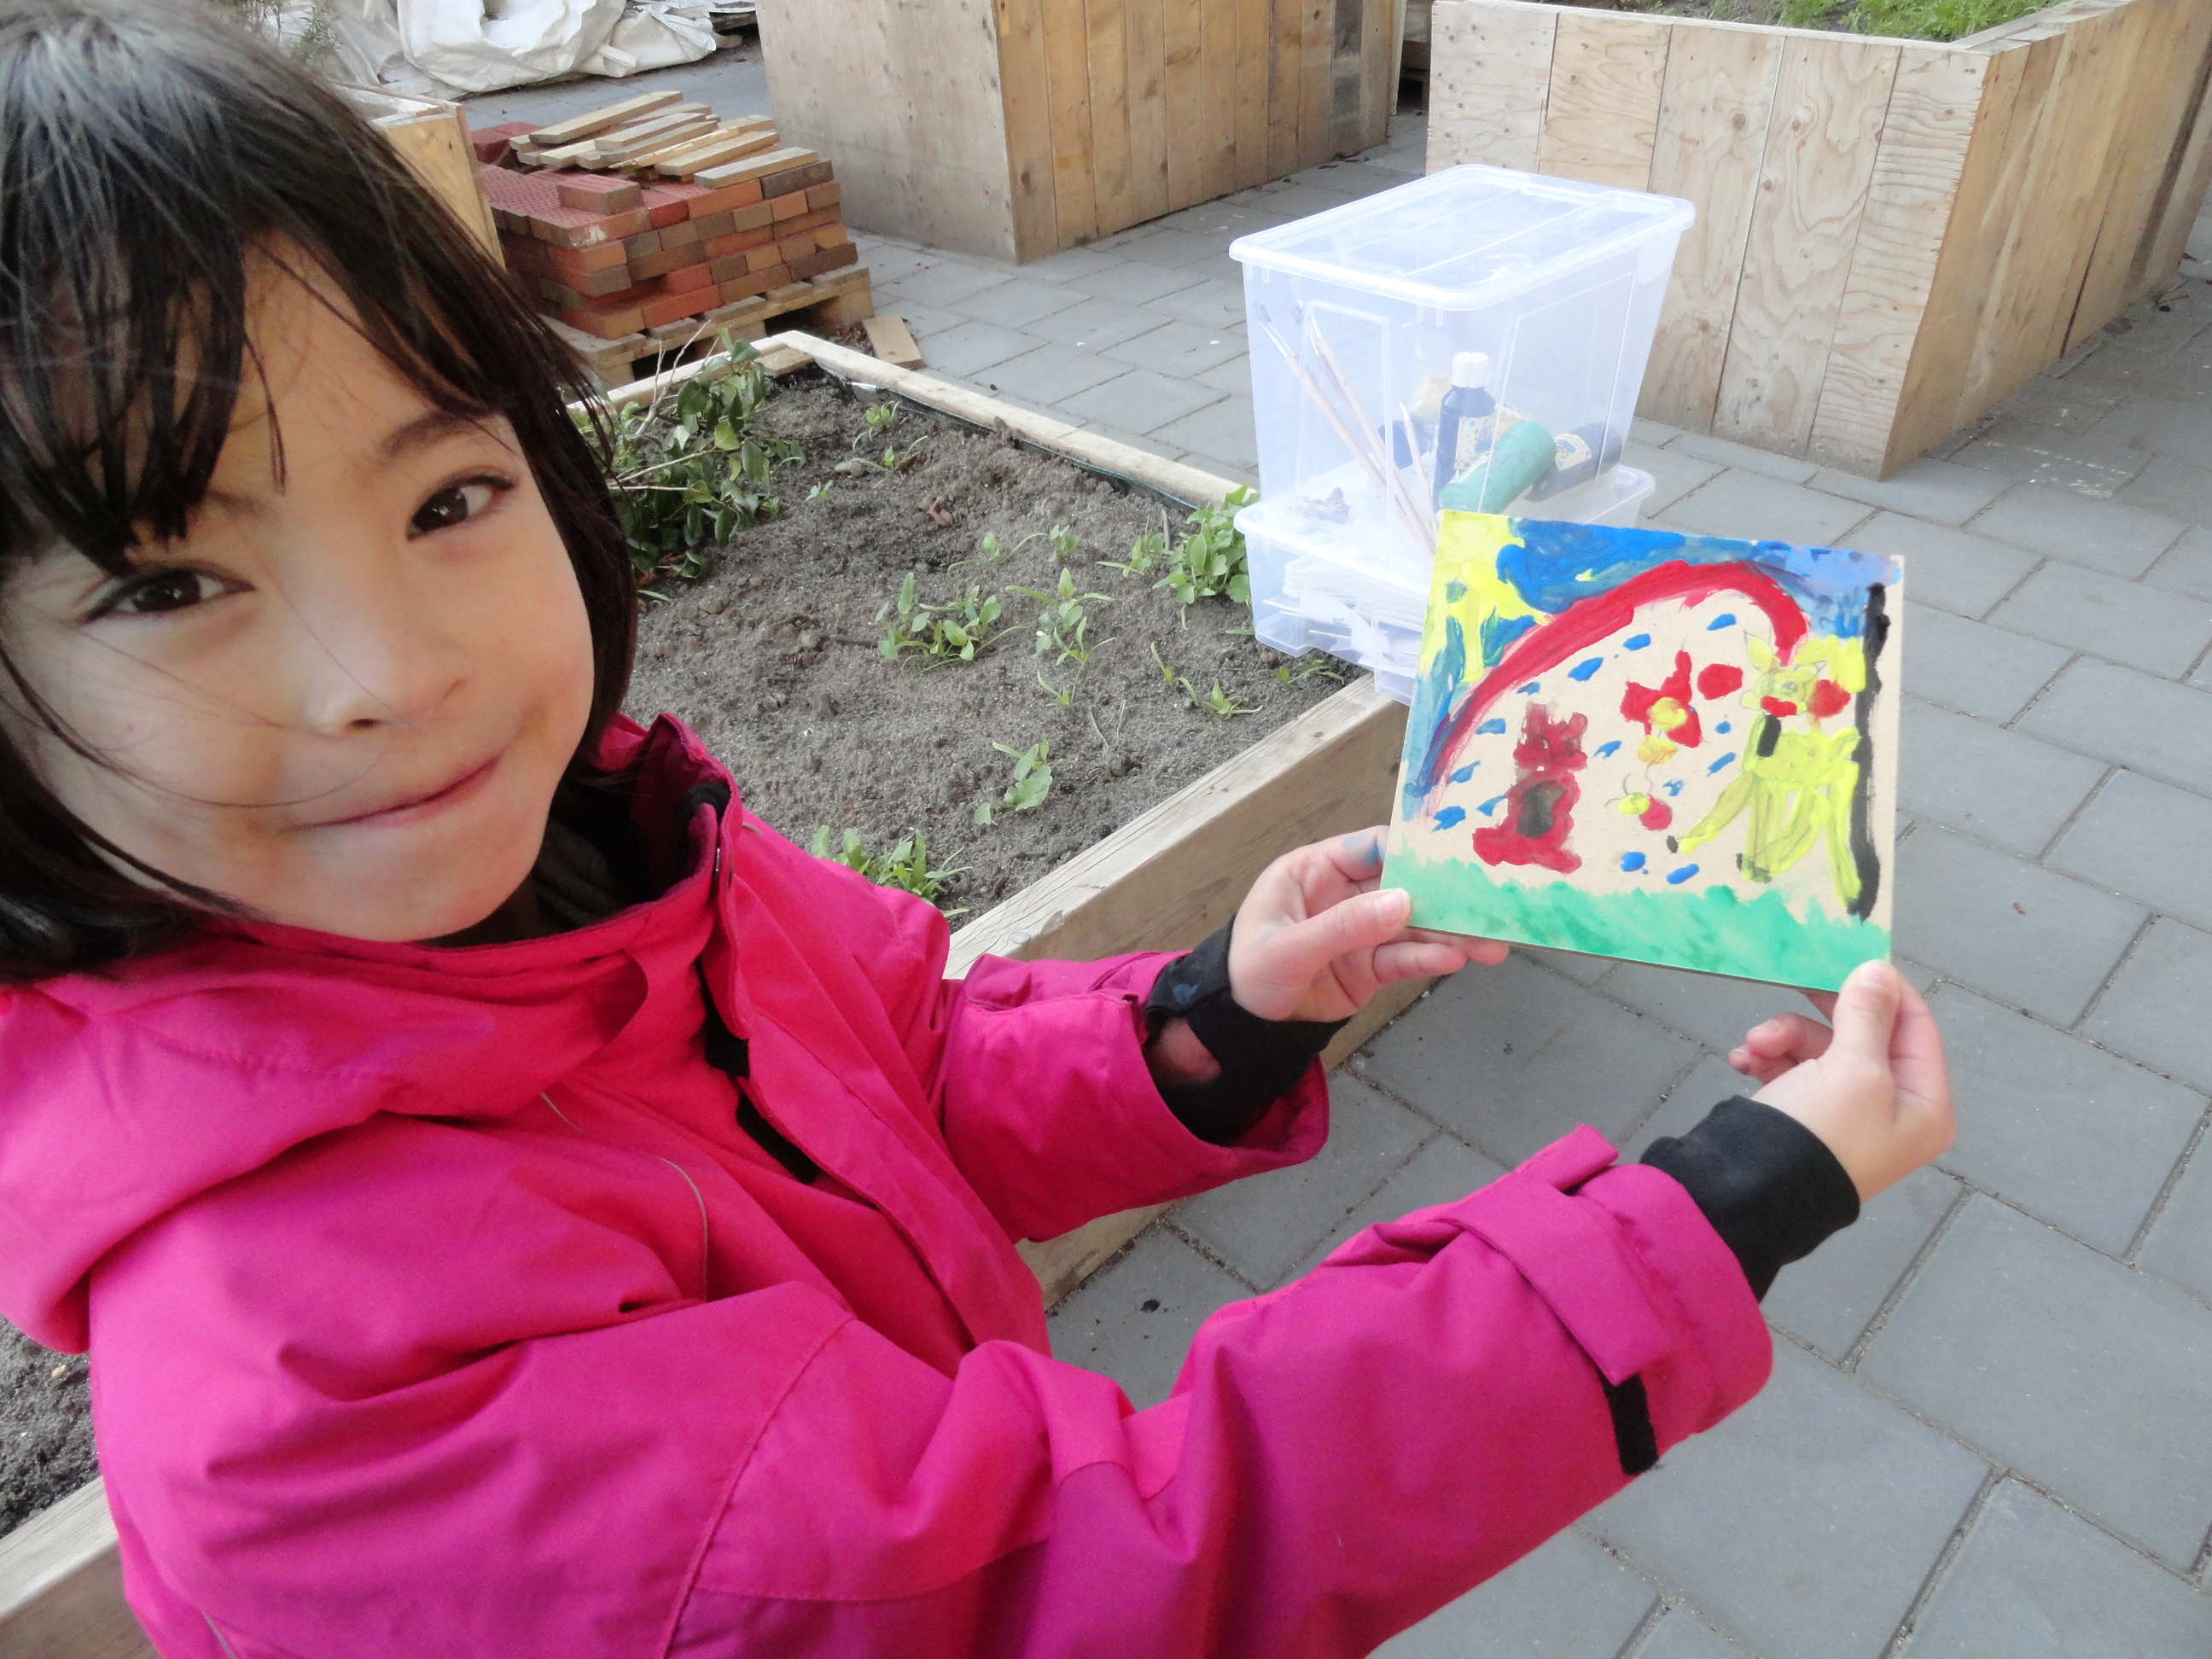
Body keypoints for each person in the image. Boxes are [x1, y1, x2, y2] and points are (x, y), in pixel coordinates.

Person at [0, 4, 1953, 1654]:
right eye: (168, 586)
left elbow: (904, 1074)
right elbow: (1051, 1571)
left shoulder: (614, 858)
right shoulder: (313, 1373)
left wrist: (1213, 1012)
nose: (388, 673)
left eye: (444, 500)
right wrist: (1717, 1212)